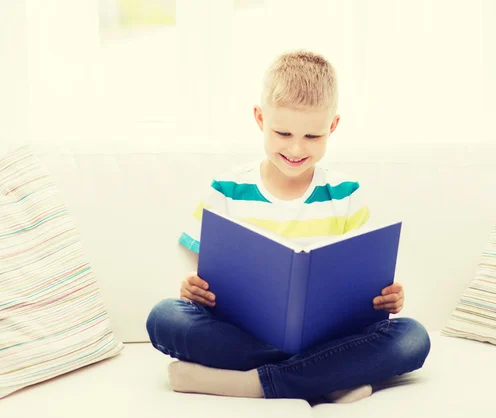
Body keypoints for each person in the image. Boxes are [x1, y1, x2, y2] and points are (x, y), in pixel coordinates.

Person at [146, 51, 430, 403]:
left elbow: (367, 284)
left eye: (313, 137)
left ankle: (256, 383)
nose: (296, 148)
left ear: (333, 126)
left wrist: (388, 297)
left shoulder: (346, 195)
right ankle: (328, 377)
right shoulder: (227, 190)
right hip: (245, 334)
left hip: (329, 336)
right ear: (260, 118)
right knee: (164, 317)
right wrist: (192, 288)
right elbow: (200, 275)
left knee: (413, 337)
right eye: (283, 132)